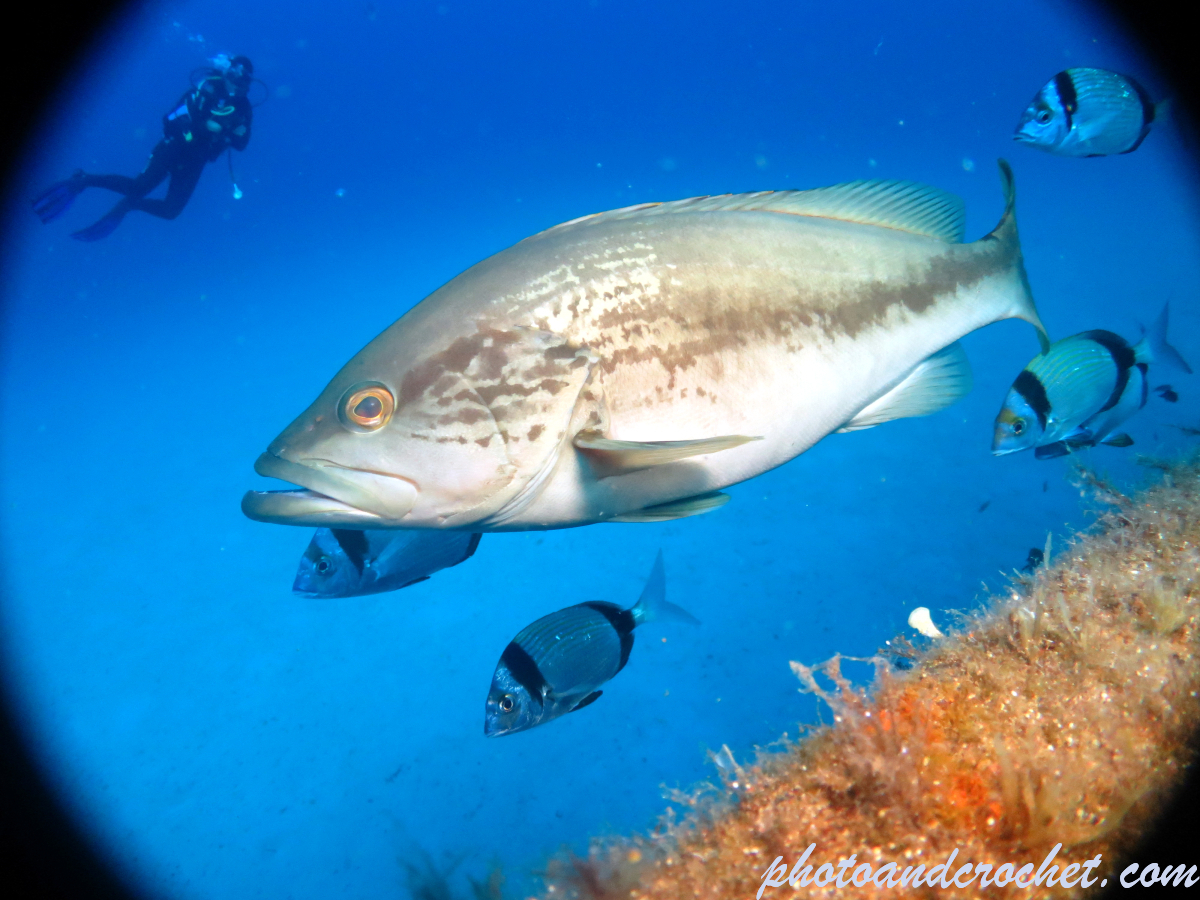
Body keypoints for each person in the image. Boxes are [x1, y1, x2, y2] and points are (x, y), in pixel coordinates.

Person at [32, 54, 254, 241]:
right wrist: (214, 127)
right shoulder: (206, 87)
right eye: (234, 74)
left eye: (243, 79)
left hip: (196, 161)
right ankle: (83, 180)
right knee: (138, 186)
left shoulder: (243, 108)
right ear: (227, 72)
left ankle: (129, 206)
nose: (237, 81)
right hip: (173, 148)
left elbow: (242, 144)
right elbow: (180, 119)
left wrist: (226, 131)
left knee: (171, 211)